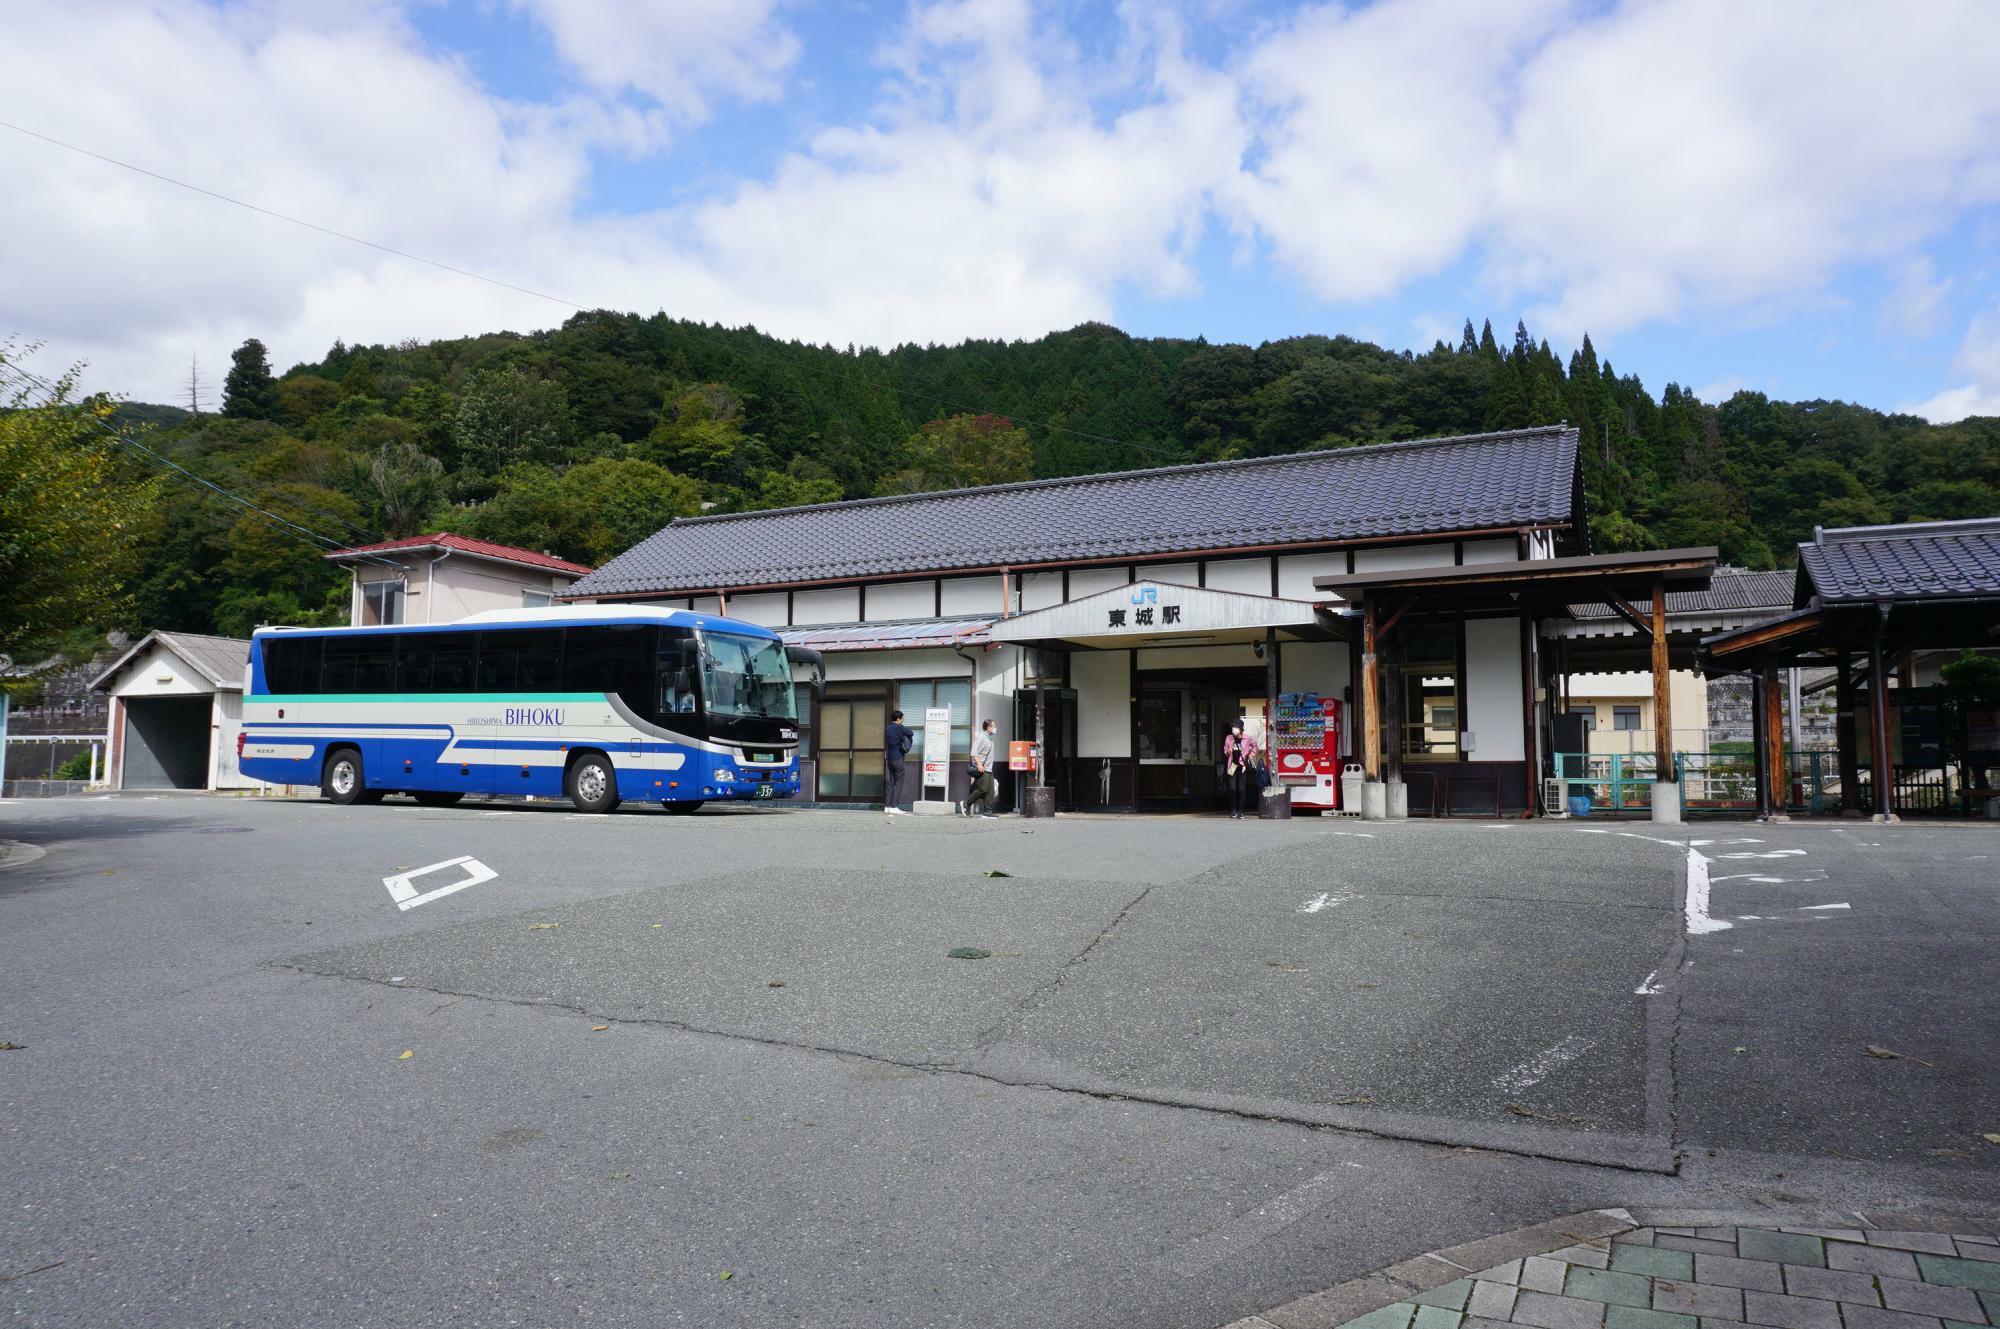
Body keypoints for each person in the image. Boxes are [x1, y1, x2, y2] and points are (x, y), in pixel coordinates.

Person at [1222, 719, 1260, 820]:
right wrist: (1228, 751)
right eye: (1233, 727)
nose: (1233, 729)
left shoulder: (1247, 738)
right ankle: (1233, 810)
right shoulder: (1229, 738)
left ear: (1240, 729)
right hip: (1232, 765)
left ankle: (1241, 811)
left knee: (1241, 789)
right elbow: (1225, 751)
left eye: (1236, 727)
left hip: (1242, 766)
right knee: (1232, 788)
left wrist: (1251, 755)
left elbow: (1255, 746)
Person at [962, 718, 999, 818]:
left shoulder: (989, 739)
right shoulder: (981, 737)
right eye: (994, 726)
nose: (995, 728)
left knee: (991, 791)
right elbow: (973, 752)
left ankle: (987, 812)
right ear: (988, 727)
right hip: (982, 768)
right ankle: (966, 804)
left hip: (989, 769)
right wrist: (979, 764)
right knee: (983, 789)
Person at [883, 709, 914, 814]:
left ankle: (887, 807)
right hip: (898, 758)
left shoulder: (888, 729)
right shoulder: (899, 728)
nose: (903, 720)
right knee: (898, 783)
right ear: (898, 719)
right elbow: (911, 733)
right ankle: (894, 806)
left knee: (891, 782)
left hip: (890, 759)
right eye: (902, 718)